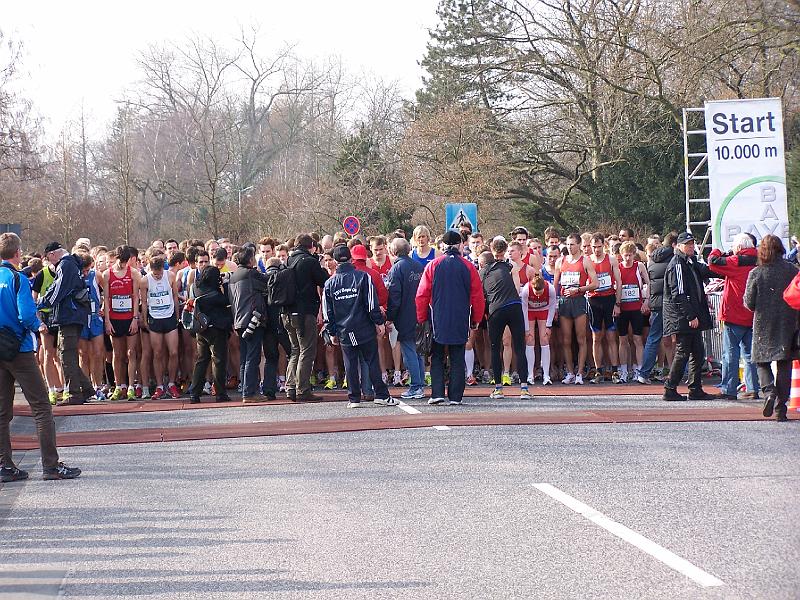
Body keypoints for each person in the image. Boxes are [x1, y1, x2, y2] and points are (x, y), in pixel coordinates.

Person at [0, 233, 81, 481]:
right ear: (17, 253)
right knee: (42, 408)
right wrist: (38, 325)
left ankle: (5, 464)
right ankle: (51, 465)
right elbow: (26, 314)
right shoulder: (18, 278)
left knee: (2, 411)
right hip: (19, 348)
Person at [415, 230, 485, 406]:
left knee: (437, 355)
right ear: (460, 245)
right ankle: (455, 396)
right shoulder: (468, 266)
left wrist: (422, 317)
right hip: (461, 316)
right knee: (457, 356)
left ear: (443, 246)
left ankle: (437, 392)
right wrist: (476, 319)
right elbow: (477, 295)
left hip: (437, 316)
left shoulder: (433, 265)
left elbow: (422, 294)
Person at [323, 245, 397, 408]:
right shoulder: (363, 277)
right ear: (350, 259)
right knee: (371, 360)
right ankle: (381, 395)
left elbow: (328, 312)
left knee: (350, 363)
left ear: (335, 262)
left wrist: (332, 331)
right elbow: (372, 304)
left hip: (344, 329)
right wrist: (379, 322)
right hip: (363, 327)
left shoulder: (329, 283)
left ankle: (354, 398)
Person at [744, 235, 798, 421]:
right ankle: (781, 408)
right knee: (784, 363)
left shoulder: (756, 273)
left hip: (763, 323)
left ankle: (769, 392)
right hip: (789, 322)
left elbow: (749, 303)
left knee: (761, 361)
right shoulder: (792, 270)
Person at [662, 232, 717, 401]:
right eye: (687, 244)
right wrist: (690, 316)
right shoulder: (677, 263)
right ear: (678, 246)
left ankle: (695, 388)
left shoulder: (690, 261)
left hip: (688, 315)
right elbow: (678, 293)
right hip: (682, 317)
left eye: (692, 243)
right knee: (683, 352)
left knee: (697, 352)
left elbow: (706, 271)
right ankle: (670, 388)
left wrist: (724, 264)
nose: (691, 246)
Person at [38, 242, 95, 405]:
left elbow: (58, 289)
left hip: (69, 315)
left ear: (52, 254)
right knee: (67, 354)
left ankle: (74, 393)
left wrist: (43, 302)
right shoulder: (71, 264)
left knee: (66, 354)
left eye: (49, 259)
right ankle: (85, 388)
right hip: (73, 314)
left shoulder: (65, 265)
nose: (50, 263)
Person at [708, 233, 759, 400]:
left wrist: (721, 251)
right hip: (754, 315)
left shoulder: (735, 261)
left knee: (730, 354)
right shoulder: (760, 260)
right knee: (750, 354)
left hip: (734, 314)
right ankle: (753, 388)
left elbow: (712, 261)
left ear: (738, 247)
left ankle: (729, 389)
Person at [479, 251, 531, 400]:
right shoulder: (503, 265)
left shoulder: (482, 272)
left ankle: (498, 389)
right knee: (520, 348)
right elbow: (510, 264)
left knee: (495, 349)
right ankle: (524, 389)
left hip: (496, 310)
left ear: (482, 263)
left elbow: (480, 296)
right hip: (515, 306)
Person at [284, 233, 329, 401]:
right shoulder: (309, 261)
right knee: (307, 350)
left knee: (295, 350)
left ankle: (290, 387)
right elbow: (324, 280)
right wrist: (321, 265)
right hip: (304, 313)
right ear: (311, 246)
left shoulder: (288, 260)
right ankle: (303, 389)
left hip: (287, 312)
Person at [553, 233, 599, 384]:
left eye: (572, 244)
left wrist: (579, 289)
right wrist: (554, 305)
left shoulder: (585, 261)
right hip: (564, 302)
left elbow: (595, 284)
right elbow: (555, 284)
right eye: (567, 244)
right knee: (566, 340)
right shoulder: (561, 261)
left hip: (579, 300)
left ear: (579, 245)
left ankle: (580, 372)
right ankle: (570, 372)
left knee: (581, 338)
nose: (569, 247)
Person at [386, 237, 426, 400]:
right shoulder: (418, 265)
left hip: (405, 315)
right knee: (419, 352)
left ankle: (416, 386)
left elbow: (394, 296)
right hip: (420, 313)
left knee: (409, 350)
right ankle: (420, 384)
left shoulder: (396, 269)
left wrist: (390, 317)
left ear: (393, 251)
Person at [228, 247, 269, 403]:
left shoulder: (233, 276)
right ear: (250, 260)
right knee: (253, 356)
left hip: (239, 320)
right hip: (253, 319)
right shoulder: (251, 273)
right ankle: (250, 393)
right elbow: (268, 282)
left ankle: (246, 390)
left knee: (245, 357)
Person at [188, 266, 232, 403]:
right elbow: (226, 300)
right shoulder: (214, 293)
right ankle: (220, 393)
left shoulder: (196, 287)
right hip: (217, 328)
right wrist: (225, 283)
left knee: (202, 360)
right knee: (218, 360)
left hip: (201, 328)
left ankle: (194, 393)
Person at [139, 255, 181, 400]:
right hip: (155, 318)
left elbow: (175, 296)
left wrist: (177, 315)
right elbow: (144, 302)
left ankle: (171, 383)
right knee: (157, 353)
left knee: (174, 352)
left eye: (160, 273)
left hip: (169, 316)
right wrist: (145, 320)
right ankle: (159, 385)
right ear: (150, 270)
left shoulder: (170, 276)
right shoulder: (145, 281)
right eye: (155, 274)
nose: (158, 276)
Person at [104, 246, 142, 401]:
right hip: (114, 318)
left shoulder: (133, 273)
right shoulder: (107, 274)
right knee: (117, 354)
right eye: (121, 261)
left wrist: (135, 318)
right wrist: (107, 321)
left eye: (126, 262)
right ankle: (119, 386)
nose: (123, 264)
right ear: (116, 258)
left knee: (131, 352)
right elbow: (106, 299)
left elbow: (135, 297)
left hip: (129, 318)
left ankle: (131, 386)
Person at [639, 232, 677, 384]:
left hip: (656, 303)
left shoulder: (652, 259)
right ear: (674, 245)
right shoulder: (674, 259)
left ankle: (644, 372)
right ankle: (681, 371)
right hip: (671, 303)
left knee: (653, 338)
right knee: (681, 338)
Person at [586, 233, 623, 383]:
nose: (596, 250)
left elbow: (619, 282)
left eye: (599, 246)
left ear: (604, 245)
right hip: (593, 300)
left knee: (611, 336)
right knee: (596, 337)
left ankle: (614, 371)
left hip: (609, 299)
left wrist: (617, 303)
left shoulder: (611, 259)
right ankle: (598, 371)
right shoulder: (587, 261)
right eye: (594, 247)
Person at [616, 241, 650, 383]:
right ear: (621, 255)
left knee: (637, 339)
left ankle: (639, 369)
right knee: (623, 339)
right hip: (623, 308)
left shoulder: (639, 266)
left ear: (634, 255)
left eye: (630, 255)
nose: (627, 258)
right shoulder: (617, 268)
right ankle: (624, 370)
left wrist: (646, 301)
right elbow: (616, 286)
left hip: (636, 307)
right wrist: (616, 305)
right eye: (625, 256)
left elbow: (648, 283)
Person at [520, 271, 557, 385]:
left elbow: (552, 307)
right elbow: (524, 310)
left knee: (544, 339)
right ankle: (530, 374)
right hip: (530, 312)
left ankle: (546, 375)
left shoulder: (550, 288)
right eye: (536, 293)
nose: (538, 296)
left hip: (543, 311)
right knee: (530, 339)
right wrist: (526, 329)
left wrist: (548, 326)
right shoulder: (526, 290)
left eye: (540, 293)